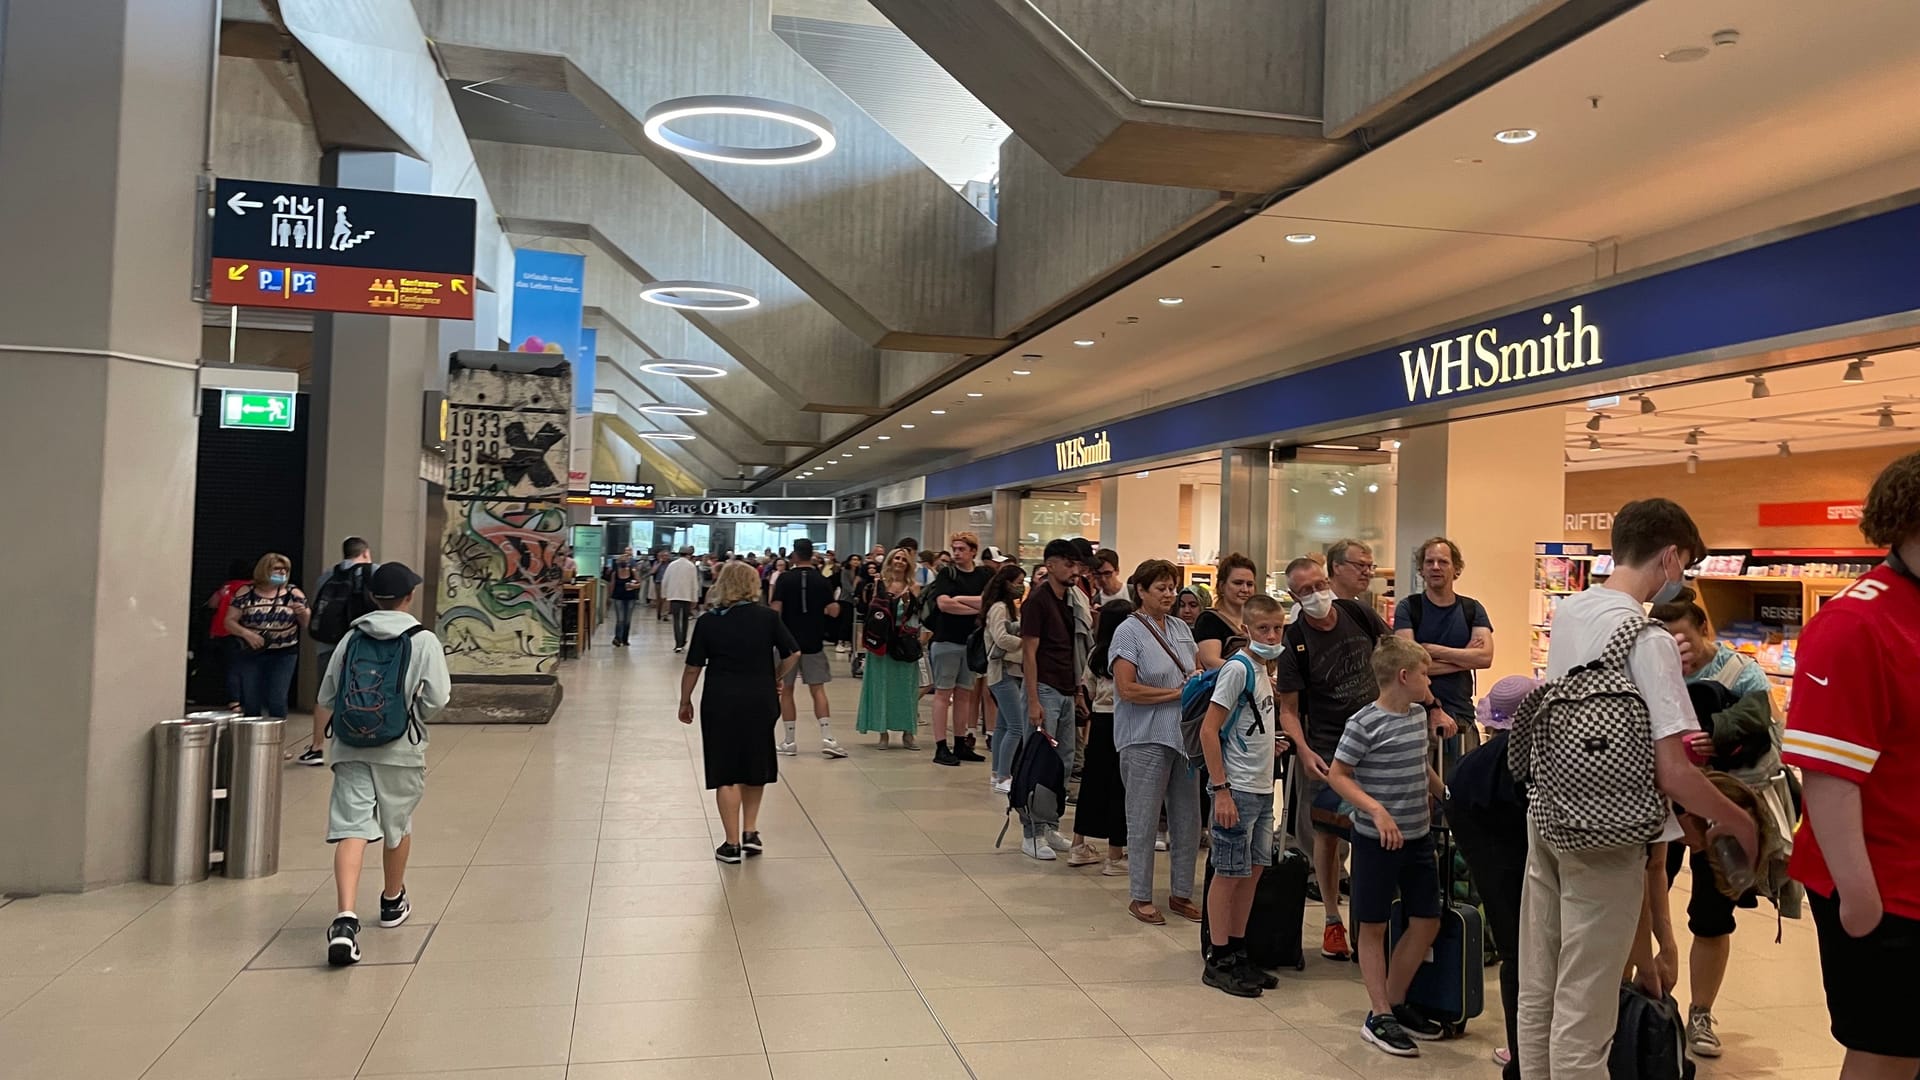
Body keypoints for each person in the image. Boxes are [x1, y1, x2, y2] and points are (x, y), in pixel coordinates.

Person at [1516, 498, 1758, 1080]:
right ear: (1671, 557)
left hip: (1549, 810)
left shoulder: (1572, 611)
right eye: (1686, 565)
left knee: (1540, 986)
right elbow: (1673, 770)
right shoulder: (1648, 640)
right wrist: (1740, 820)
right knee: (1587, 1005)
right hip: (1607, 833)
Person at [1781, 450, 1920, 1080]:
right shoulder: (1855, 623)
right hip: (1886, 888)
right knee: (1886, 1052)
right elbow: (1831, 775)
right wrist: (1862, 901)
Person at [317, 562, 450, 966]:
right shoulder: (422, 639)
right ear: (409, 596)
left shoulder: (351, 636)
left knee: (351, 827)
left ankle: (344, 919)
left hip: (350, 745)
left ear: (373, 597)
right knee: (397, 824)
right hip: (400, 748)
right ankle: (392, 901)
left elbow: (328, 695)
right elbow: (438, 698)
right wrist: (411, 711)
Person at [1328, 636, 1449, 1056]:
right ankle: (1378, 1014)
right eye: (1424, 675)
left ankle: (1395, 1003)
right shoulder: (1364, 723)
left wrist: (1444, 793)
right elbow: (1338, 775)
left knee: (1426, 920)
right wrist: (1376, 811)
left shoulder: (1417, 716)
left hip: (1417, 836)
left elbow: (1419, 764)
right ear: (1403, 676)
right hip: (1376, 840)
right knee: (1374, 925)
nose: (1428, 684)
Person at [1273, 555, 1395, 960]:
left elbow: (1393, 650)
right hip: (1327, 747)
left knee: (1376, 830)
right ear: (1294, 595)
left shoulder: (1356, 612)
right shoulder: (1294, 642)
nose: (1316, 595)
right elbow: (1289, 709)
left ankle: (1370, 920)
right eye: (1305, 591)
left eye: (1319, 585)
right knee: (1328, 836)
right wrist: (1304, 750)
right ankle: (1331, 920)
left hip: (1377, 739)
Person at [1446, 675, 1538, 1080]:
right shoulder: (1540, 760)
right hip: (1537, 875)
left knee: (1515, 957)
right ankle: (1534, 1049)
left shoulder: (1469, 768)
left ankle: (1522, 1050)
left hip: (1495, 875)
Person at [679, 561, 799, 863]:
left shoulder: (709, 621)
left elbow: (694, 666)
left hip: (721, 700)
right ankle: (751, 832)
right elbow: (793, 651)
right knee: (754, 763)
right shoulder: (768, 618)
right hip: (761, 699)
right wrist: (776, 676)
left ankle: (731, 844)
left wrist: (685, 700)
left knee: (726, 770)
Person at [1198, 593, 1286, 996]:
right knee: (1228, 874)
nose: (1272, 635)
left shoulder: (1264, 670)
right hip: (1237, 789)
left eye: (1278, 628)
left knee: (1251, 873)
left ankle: (1238, 948)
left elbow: (1249, 725)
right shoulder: (1238, 669)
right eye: (1264, 628)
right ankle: (1219, 958)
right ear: (1246, 629)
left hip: (1262, 789)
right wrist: (1221, 791)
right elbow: (1209, 730)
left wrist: (1272, 744)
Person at [1110, 558, 1203, 921]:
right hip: (1144, 736)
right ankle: (1140, 895)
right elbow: (1127, 688)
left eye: (1172, 587)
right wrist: (1176, 694)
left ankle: (1181, 892)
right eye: (1161, 588)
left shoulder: (1181, 627)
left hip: (1183, 737)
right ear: (1141, 591)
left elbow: (1194, 670)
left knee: (1188, 820)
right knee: (1144, 819)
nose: (1169, 594)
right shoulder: (1128, 631)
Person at [1017, 538, 1088, 860]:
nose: (1075, 570)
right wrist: (1033, 700)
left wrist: (1076, 691)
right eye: (1069, 564)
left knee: (1062, 763)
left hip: (1065, 689)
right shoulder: (1038, 602)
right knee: (1037, 763)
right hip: (1043, 688)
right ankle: (1031, 832)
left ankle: (1050, 824)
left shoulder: (1068, 600)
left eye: (1077, 565)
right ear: (1052, 563)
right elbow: (1028, 654)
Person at [1394, 537, 1493, 737]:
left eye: (1443, 562)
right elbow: (1407, 666)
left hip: (1461, 714)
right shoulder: (1408, 608)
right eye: (1429, 562)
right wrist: (1465, 659)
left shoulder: (1472, 609)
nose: (1435, 567)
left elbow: (1484, 658)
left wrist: (1432, 651)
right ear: (1421, 570)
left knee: (1462, 769)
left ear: (1456, 569)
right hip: (1415, 715)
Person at [1070, 599, 1134, 875]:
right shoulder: (1129, 651)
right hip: (1124, 721)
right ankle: (1115, 854)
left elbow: (1089, 689)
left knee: (1092, 783)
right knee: (1120, 786)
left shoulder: (1096, 652)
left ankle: (1078, 845)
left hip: (1099, 723)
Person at [769, 539, 848, 760]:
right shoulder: (822, 581)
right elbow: (833, 611)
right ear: (812, 555)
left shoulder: (784, 579)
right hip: (814, 642)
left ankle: (789, 741)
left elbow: (775, 610)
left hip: (787, 644)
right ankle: (827, 738)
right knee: (817, 690)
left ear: (794, 556)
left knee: (786, 690)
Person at [301, 537, 378, 763]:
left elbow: (318, 608)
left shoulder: (328, 575)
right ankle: (364, 742)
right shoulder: (375, 571)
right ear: (365, 553)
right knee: (367, 690)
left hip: (329, 643)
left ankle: (317, 747)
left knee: (325, 694)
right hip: (365, 641)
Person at [924, 531, 992, 766]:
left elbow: (989, 601)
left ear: (973, 551)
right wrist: (976, 608)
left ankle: (961, 743)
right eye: (955, 548)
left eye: (962, 549)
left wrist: (960, 600)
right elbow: (944, 604)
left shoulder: (984, 574)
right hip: (946, 641)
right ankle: (941, 746)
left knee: (964, 694)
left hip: (971, 643)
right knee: (943, 693)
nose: (957, 553)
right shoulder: (947, 573)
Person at [225, 552, 309, 724]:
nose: (281, 573)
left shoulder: (293, 593)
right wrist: (247, 634)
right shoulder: (246, 592)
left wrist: (303, 613)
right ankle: (251, 742)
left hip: (284, 652)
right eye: (276, 569)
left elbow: (306, 624)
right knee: (252, 699)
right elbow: (229, 621)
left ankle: (277, 743)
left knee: (277, 698)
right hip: (253, 651)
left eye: (284, 570)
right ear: (265, 570)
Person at [855, 548, 923, 749]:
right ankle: (882, 733)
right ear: (890, 561)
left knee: (906, 688)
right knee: (880, 686)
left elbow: (913, 615)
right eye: (896, 558)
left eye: (903, 559)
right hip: (881, 641)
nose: (900, 562)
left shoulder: (914, 587)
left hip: (903, 642)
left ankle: (908, 733)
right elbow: (873, 611)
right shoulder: (879, 584)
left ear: (908, 563)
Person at [981, 564, 1028, 793]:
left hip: (1006, 672)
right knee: (1017, 727)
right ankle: (1004, 776)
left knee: (1001, 726)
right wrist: (1025, 643)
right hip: (1003, 672)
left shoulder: (1006, 608)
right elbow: (1001, 639)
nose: (1020, 588)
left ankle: (996, 772)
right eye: (1018, 583)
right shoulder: (999, 608)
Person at [1195, 552, 1259, 670]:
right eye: (1238, 583)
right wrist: (1253, 674)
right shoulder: (1209, 620)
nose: (1245, 589)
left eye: (1249, 584)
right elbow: (1210, 661)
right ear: (1222, 586)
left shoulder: (1257, 620)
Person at [205, 558, 253, 712]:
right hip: (240, 631)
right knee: (242, 667)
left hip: (220, 631)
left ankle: (233, 701)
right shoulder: (249, 588)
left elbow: (212, 603)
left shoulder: (226, 587)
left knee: (230, 667)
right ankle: (240, 701)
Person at [661, 546, 701, 652]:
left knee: (676, 619)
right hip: (687, 596)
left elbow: (665, 580)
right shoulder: (691, 566)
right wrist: (695, 598)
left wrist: (664, 595)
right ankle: (683, 641)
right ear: (689, 554)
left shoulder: (672, 565)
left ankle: (678, 643)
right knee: (685, 620)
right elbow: (694, 583)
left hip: (674, 596)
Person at [1326, 538, 1377, 602]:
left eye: (1370, 566)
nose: (1368, 572)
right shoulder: (1318, 607)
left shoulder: (1362, 607)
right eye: (1360, 565)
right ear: (1337, 567)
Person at [608, 552, 642, 647]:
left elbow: (639, 583)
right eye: (621, 561)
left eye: (625, 561)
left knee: (627, 619)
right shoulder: (615, 573)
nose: (623, 563)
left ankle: (625, 638)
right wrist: (609, 597)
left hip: (630, 597)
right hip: (618, 597)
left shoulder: (632, 571)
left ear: (628, 562)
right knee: (620, 619)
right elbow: (612, 585)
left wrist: (633, 585)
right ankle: (617, 638)